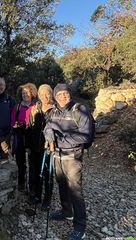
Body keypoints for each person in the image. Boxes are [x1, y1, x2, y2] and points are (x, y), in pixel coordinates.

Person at [44, 83, 92, 240]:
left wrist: (60, 141)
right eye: (59, 95)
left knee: (75, 191)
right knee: (62, 185)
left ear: (69, 94)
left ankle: (80, 227)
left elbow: (86, 136)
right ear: (55, 97)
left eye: (65, 93)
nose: (63, 97)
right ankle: (67, 212)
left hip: (72, 157)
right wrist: (48, 133)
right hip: (57, 156)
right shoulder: (54, 111)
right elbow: (47, 127)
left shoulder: (79, 109)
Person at [27, 84, 54, 209]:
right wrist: (28, 145)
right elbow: (29, 127)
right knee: (36, 172)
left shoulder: (56, 110)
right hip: (35, 146)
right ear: (38, 95)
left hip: (50, 148)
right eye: (42, 94)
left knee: (48, 173)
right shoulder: (35, 109)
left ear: (51, 93)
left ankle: (47, 199)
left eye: (47, 93)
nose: (45, 96)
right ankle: (37, 195)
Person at [11, 83, 37, 192]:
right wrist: (15, 126)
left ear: (32, 94)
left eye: (27, 93)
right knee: (20, 162)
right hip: (19, 136)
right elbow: (12, 121)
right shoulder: (17, 107)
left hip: (31, 136)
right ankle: (21, 183)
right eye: (23, 93)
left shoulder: (36, 106)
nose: (25, 95)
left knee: (32, 162)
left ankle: (32, 186)